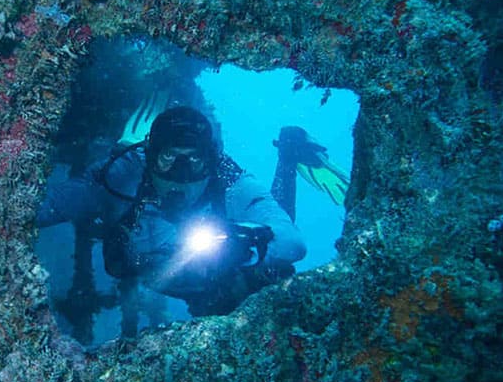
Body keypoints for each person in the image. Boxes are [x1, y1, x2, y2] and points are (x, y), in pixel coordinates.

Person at [37, 105, 312, 338]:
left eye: (195, 160)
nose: (180, 175)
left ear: (211, 160)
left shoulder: (229, 179)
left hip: (211, 285)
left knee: (272, 272)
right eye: (168, 158)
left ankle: (287, 159)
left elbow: (292, 243)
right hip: (167, 277)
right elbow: (50, 205)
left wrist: (245, 242)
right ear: (150, 155)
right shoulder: (125, 171)